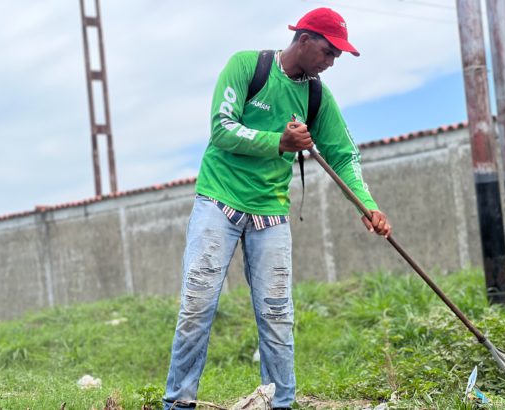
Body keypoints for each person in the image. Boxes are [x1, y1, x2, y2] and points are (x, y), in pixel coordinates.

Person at [163, 7, 392, 409]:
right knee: (197, 305)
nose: (331, 62)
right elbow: (222, 128)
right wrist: (278, 142)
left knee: (277, 314)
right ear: (303, 40)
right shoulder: (246, 67)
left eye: (337, 56)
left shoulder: (317, 96)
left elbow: (343, 155)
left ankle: (280, 404)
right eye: (328, 52)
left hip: (270, 212)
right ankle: (178, 403)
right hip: (218, 200)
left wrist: (367, 205)